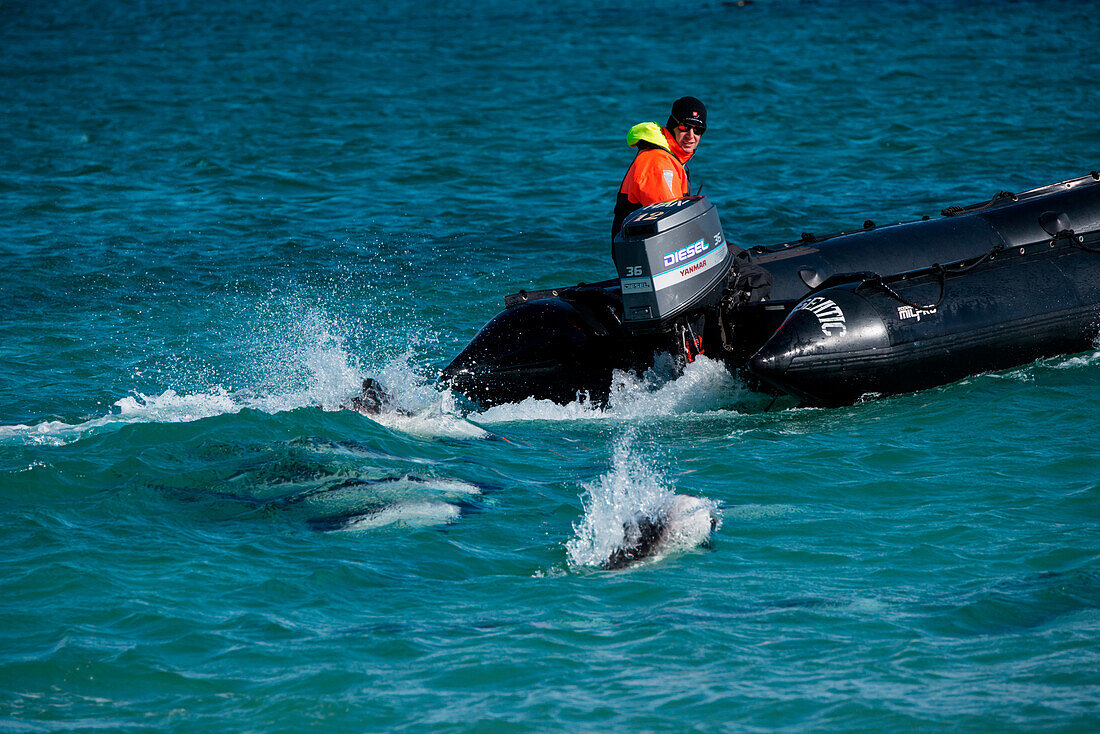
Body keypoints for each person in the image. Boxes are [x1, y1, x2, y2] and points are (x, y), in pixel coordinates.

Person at [611, 96, 707, 239]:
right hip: (647, 253)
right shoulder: (657, 162)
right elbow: (670, 220)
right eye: (684, 127)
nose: (691, 136)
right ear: (672, 125)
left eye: (698, 130)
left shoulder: (673, 159)